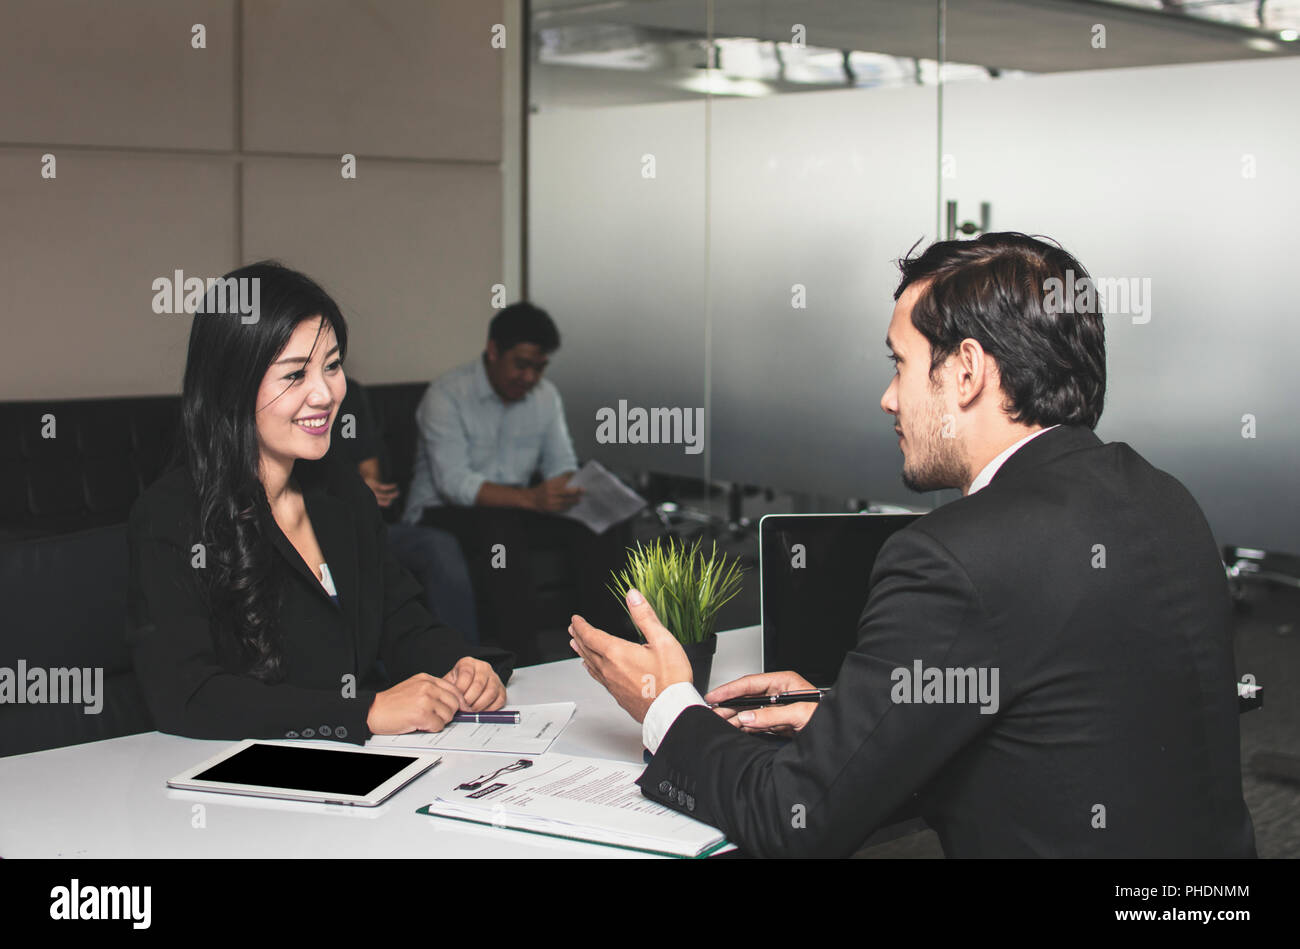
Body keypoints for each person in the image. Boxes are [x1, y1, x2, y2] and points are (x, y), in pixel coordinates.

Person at [569, 232, 1257, 858]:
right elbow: (1073, 705)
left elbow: (793, 820)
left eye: (900, 364)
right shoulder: (1164, 497)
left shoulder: (954, 555)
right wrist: (854, 711)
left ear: (966, 372)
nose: (888, 398)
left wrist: (666, 702)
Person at [127, 262, 509, 745]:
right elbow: (189, 698)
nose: (325, 393)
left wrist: (465, 665)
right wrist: (364, 711)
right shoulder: (172, 514)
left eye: (332, 365)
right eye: (294, 376)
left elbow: (402, 624)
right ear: (232, 387)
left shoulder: (341, 492)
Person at [403, 302, 628, 663]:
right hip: (443, 510)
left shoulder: (545, 396)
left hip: (517, 506)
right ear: (493, 351)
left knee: (596, 522)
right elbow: (453, 482)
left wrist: (577, 492)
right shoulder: (446, 395)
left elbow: (561, 464)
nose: (529, 378)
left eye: (539, 368)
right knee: (500, 525)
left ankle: (607, 646)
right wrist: (533, 500)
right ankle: (523, 657)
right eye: (521, 365)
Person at [328, 375, 480, 642]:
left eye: (331, 365)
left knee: (438, 546)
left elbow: (368, 480)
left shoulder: (346, 392)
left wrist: (359, 489)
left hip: (363, 524)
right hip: (317, 531)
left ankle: (463, 658)